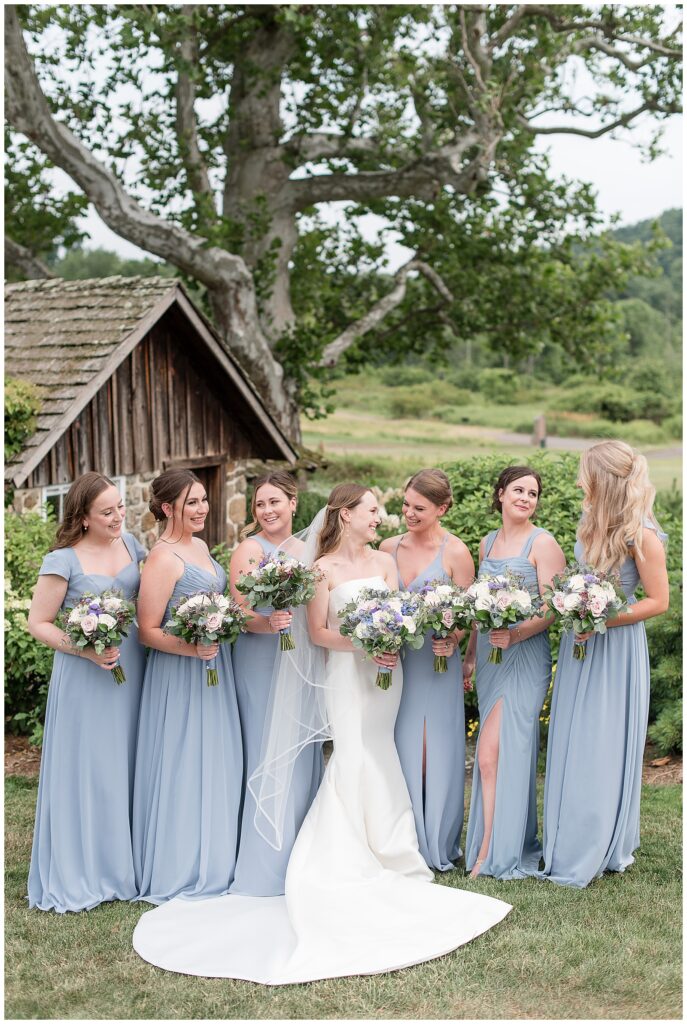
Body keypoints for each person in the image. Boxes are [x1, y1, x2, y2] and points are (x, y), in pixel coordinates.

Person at [132, 484, 510, 984]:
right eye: (373, 510)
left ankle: (390, 846)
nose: (382, 516)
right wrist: (365, 640)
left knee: (380, 753)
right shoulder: (322, 568)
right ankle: (340, 854)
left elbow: (399, 613)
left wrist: (392, 639)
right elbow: (318, 635)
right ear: (347, 515)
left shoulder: (385, 563)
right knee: (351, 753)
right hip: (346, 678)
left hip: (386, 676)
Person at [541, 441, 669, 887]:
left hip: (616, 649)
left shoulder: (642, 534)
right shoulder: (587, 523)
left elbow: (659, 601)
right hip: (582, 648)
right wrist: (574, 606)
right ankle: (565, 835)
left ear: (605, 479)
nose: (580, 481)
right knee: (575, 735)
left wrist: (604, 617)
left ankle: (597, 840)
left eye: (586, 474)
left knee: (601, 739)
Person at [27, 472, 146, 912]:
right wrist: (85, 650)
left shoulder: (131, 544)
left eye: (119, 507)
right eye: (107, 512)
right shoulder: (63, 560)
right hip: (86, 674)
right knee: (92, 766)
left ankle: (124, 864)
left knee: (127, 760)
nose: (118, 517)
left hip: (133, 668)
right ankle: (87, 868)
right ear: (82, 518)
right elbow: (38, 623)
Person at [132, 469, 243, 903]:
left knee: (216, 758)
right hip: (180, 675)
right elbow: (147, 630)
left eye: (202, 500)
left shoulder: (197, 546)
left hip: (214, 671)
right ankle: (181, 864)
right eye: (191, 502)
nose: (202, 509)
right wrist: (191, 649)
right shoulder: (161, 557)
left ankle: (216, 856)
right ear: (167, 508)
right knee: (185, 762)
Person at [463, 466, 565, 880]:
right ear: (501, 494)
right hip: (490, 659)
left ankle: (491, 850)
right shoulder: (487, 543)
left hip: (524, 657)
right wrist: (471, 656)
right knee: (499, 753)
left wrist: (518, 632)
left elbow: (554, 606)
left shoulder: (544, 543)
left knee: (492, 754)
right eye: (519, 490)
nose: (526, 497)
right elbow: (476, 609)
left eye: (533, 493)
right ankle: (509, 839)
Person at [229, 472, 322, 897]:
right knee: (265, 748)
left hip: (297, 660)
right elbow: (237, 612)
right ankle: (262, 863)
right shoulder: (249, 549)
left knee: (297, 751)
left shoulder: (309, 550)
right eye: (260, 505)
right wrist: (268, 622)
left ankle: (301, 860)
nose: (267, 511)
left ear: (291, 501)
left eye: (274, 502)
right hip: (259, 661)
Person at [380, 469, 473, 871]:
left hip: (437, 664)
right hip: (399, 665)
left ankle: (438, 840)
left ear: (442, 508)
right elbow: (378, 606)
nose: (409, 513)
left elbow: (469, 614)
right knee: (401, 750)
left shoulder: (456, 552)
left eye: (419, 508)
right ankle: (404, 840)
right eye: (405, 505)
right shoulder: (387, 547)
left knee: (435, 752)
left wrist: (452, 638)